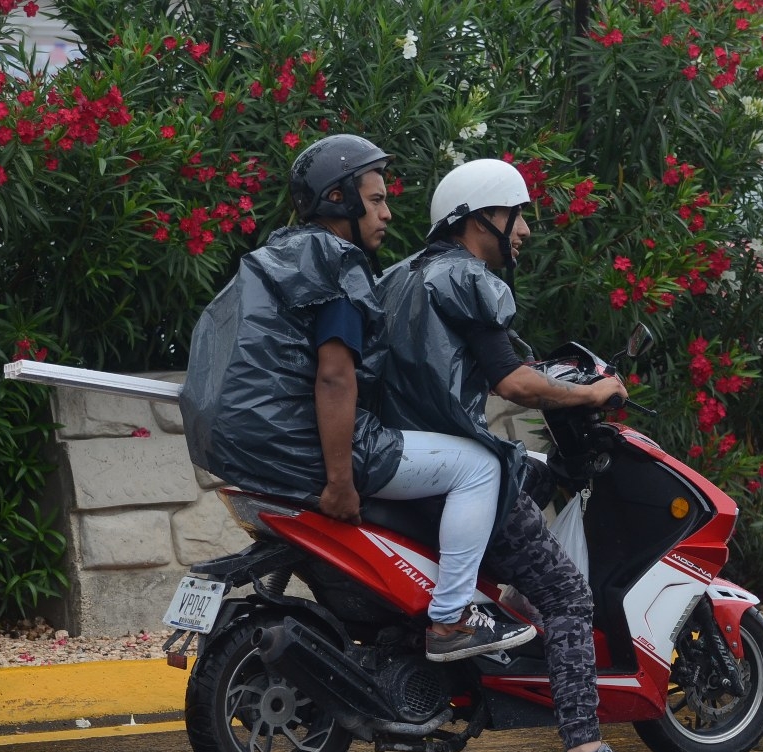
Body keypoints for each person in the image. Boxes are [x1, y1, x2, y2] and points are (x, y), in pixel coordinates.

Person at [178, 135, 534, 662]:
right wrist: (341, 481)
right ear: (338, 201)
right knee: (480, 466)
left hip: (242, 444)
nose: (387, 213)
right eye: (376, 200)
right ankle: (452, 620)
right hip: (296, 441)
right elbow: (335, 378)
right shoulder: (337, 264)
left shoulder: (278, 255)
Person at [378, 158, 666, 752]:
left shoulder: (401, 278)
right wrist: (592, 396)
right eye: (519, 214)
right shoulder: (469, 280)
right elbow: (512, 382)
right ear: (482, 217)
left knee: (529, 479)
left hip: (399, 460)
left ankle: (502, 652)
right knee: (567, 595)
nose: (527, 230)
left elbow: (498, 360)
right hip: (450, 465)